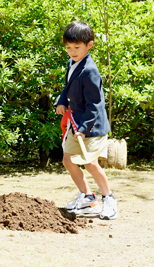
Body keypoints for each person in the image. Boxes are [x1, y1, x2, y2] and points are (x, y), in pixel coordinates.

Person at [55, 21, 119, 220]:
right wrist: (61, 101)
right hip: (76, 124)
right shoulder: (72, 63)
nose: (72, 52)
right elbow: (67, 87)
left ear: (89, 45)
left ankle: (109, 199)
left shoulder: (90, 71)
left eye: (77, 47)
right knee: (68, 160)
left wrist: (83, 129)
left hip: (92, 127)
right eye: (68, 48)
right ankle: (88, 198)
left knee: (90, 163)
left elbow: (95, 105)